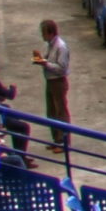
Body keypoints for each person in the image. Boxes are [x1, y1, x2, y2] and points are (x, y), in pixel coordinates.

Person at [32, 19, 72, 149]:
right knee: (51, 112)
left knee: (61, 111)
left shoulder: (61, 47)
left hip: (58, 81)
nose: (42, 36)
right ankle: (56, 139)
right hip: (50, 80)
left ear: (51, 33)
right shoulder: (51, 45)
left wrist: (45, 63)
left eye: (44, 33)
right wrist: (41, 60)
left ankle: (64, 142)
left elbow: (62, 68)